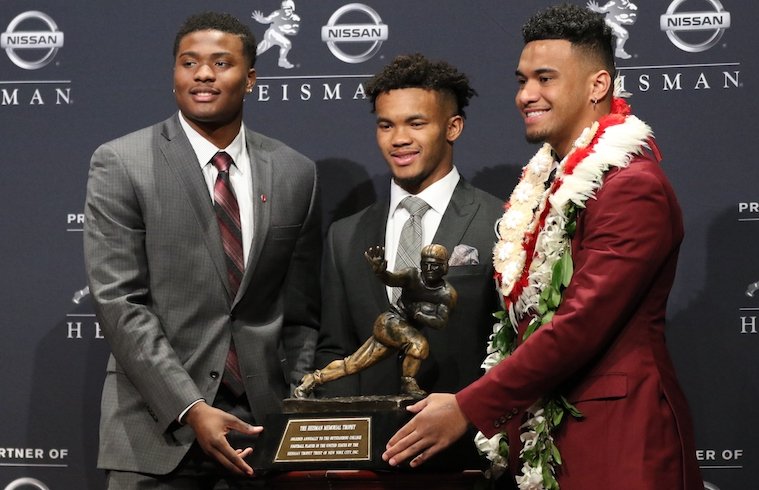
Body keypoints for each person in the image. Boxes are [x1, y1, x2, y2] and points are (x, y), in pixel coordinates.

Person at [382, 5, 704, 490]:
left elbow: (579, 325)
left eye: (545, 79)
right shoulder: (545, 185)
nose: (525, 95)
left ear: (597, 86)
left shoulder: (631, 186)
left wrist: (467, 407)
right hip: (544, 438)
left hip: (618, 443)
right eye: (521, 80)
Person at [83, 11, 320, 488]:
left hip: (262, 436)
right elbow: (120, 303)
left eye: (221, 63)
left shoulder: (295, 171)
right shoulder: (122, 162)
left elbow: (300, 310)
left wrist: (292, 401)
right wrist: (191, 408)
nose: (204, 75)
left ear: (251, 78)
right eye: (189, 63)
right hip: (155, 432)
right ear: (174, 74)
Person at [313, 53, 503, 398]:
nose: (398, 138)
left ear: (452, 127)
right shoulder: (344, 236)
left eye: (416, 124)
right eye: (386, 125)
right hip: (371, 443)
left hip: (467, 441)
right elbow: (336, 348)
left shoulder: (499, 222)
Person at [296, 244, 457, 398]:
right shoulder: (412, 275)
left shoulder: (446, 293)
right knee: (419, 345)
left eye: (435, 266)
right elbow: (392, 279)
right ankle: (408, 382)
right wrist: (380, 271)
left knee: (353, 364)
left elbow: (440, 322)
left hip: (402, 332)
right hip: (389, 322)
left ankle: (312, 379)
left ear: (444, 267)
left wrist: (419, 314)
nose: (429, 270)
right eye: (426, 264)